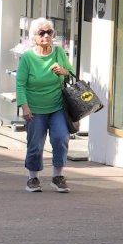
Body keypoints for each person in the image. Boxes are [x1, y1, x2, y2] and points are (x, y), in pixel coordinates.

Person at [17, 17, 75, 193]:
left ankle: (58, 177)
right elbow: (20, 85)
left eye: (49, 32)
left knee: (61, 138)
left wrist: (64, 71)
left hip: (57, 107)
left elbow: (71, 73)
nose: (46, 36)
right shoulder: (27, 58)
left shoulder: (59, 53)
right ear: (34, 37)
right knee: (35, 144)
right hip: (35, 109)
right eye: (41, 33)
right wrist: (24, 106)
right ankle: (32, 178)